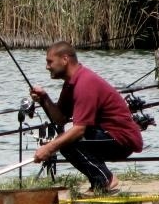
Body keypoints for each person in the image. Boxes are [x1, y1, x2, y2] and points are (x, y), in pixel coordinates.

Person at [30, 41, 142, 193]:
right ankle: (99, 183)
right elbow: (61, 119)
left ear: (65, 59)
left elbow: (79, 130)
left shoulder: (84, 83)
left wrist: (49, 148)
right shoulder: (72, 83)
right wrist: (44, 99)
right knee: (66, 142)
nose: (47, 67)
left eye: (50, 62)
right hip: (104, 134)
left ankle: (106, 180)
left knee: (69, 143)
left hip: (121, 139)